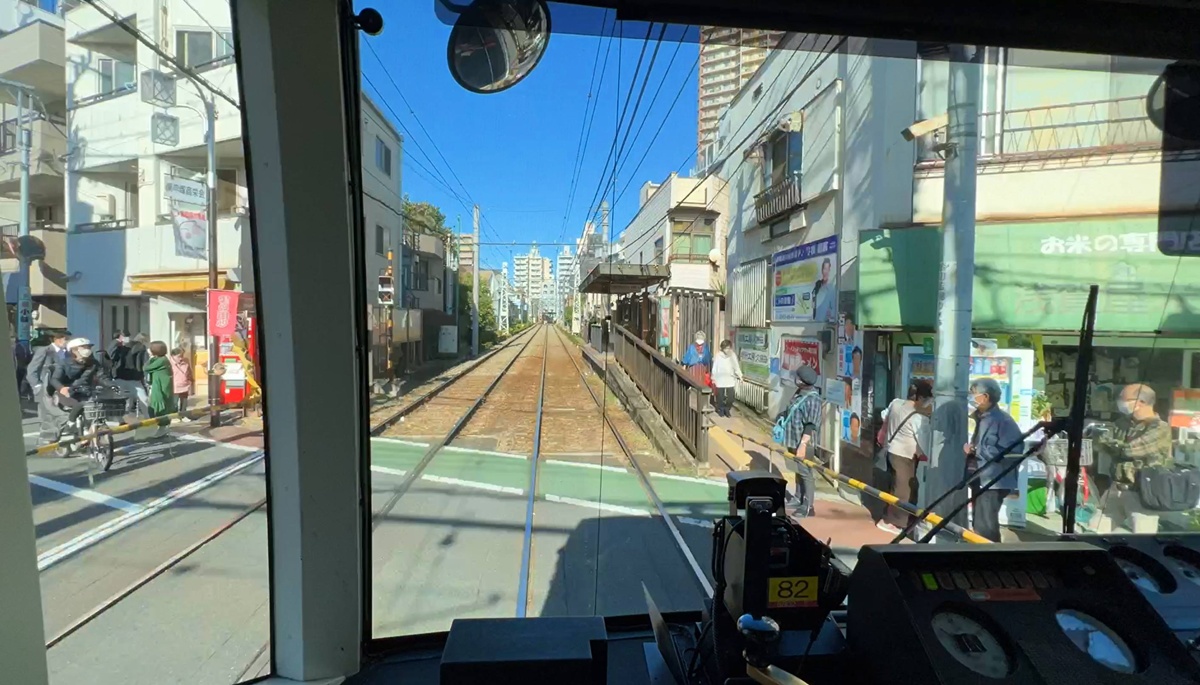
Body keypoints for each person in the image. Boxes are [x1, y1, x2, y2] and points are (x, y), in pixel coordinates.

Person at [1096, 383, 1172, 533]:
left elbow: (1131, 450)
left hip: (1142, 492)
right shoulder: (1122, 423)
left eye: (1125, 399)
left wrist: (1114, 446)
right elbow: (1100, 442)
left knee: (1143, 538)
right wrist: (1115, 445)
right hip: (1116, 488)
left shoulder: (1160, 428)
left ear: (1141, 402)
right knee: (1095, 532)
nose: (1120, 403)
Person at [963, 377, 1023, 542]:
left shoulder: (1002, 421)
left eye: (974, 394)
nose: (971, 398)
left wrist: (977, 449)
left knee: (986, 524)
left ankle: (989, 555)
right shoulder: (981, 417)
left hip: (993, 480)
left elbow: (1012, 452)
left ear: (986, 397)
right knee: (979, 519)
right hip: (980, 476)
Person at [878, 380, 933, 534]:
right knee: (903, 490)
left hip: (891, 451)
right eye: (928, 399)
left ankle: (897, 517)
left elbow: (884, 416)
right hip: (905, 456)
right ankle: (892, 522)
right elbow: (925, 444)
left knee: (895, 486)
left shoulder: (896, 403)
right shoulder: (919, 418)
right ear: (921, 398)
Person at [779, 364, 824, 518]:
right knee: (798, 470)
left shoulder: (812, 399)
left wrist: (803, 445)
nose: (795, 378)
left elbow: (811, 425)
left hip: (804, 443)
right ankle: (798, 497)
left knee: (806, 473)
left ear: (802, 381)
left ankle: (808, 506)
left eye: (797, 377)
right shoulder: (800, 392)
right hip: (794, 439)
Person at [48, 338, 106, 429]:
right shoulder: (63, 363)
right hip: (67, 393)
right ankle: (70, 423)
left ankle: (90, 430)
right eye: (83, 347)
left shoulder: (94, 363)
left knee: (97, 404)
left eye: (88, 347)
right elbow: (54, 379)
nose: (87, 349)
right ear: (73, 350)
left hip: (86, 391)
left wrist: (111, 385)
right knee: (83, 403)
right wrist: (62, 388)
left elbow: (102, 377)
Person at [110, 331, 149, 415]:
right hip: (135, 377)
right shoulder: (142, 348)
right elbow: (146, 363)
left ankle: (117, 418)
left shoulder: (123, 347)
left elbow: (112, 358)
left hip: (119, 375)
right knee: (143, 400)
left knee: (118, 400)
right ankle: (149, 418)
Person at [26, 330, 70, 400]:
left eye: (69, 339)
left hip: (61, 390)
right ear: (56, 339)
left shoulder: (67, 353)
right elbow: (32, 369)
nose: (67, 342)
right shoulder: (44, 351)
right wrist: (37, 386)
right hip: (45, 390)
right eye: (66, 339)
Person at [145, 341, 178, 425]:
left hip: (161, 387)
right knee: (157, 405)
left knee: (159, 405)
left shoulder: (161, 360)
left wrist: (150, 357)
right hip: (161, 385)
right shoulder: (161, 359)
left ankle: (162, 425)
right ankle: (161, 425)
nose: (149, 350)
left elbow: (146, 368)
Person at [711, 340, 742, 417]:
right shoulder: (718, 355)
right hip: (720, 379)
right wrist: (713, 377)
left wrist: (740, 376)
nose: (727, 350)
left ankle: (727, 409)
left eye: (728, 348)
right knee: (720, 396)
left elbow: (736, 366)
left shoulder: (732, 355)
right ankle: (721, 409)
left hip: (730, 379)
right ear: (722, 348)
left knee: (731, 397)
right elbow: (715, 367)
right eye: (725, 348)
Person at [169, 347, 194, 420]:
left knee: (184, 403)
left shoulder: (185, 362)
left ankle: (183, 416)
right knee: (174, 403)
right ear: (173, 356)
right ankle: (174, 417)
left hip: (184, 385)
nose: (181, 358)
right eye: (179, 356)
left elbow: (189, 372)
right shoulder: (169, 364)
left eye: (182, 356)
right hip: (174, 386)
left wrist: (190, 381)